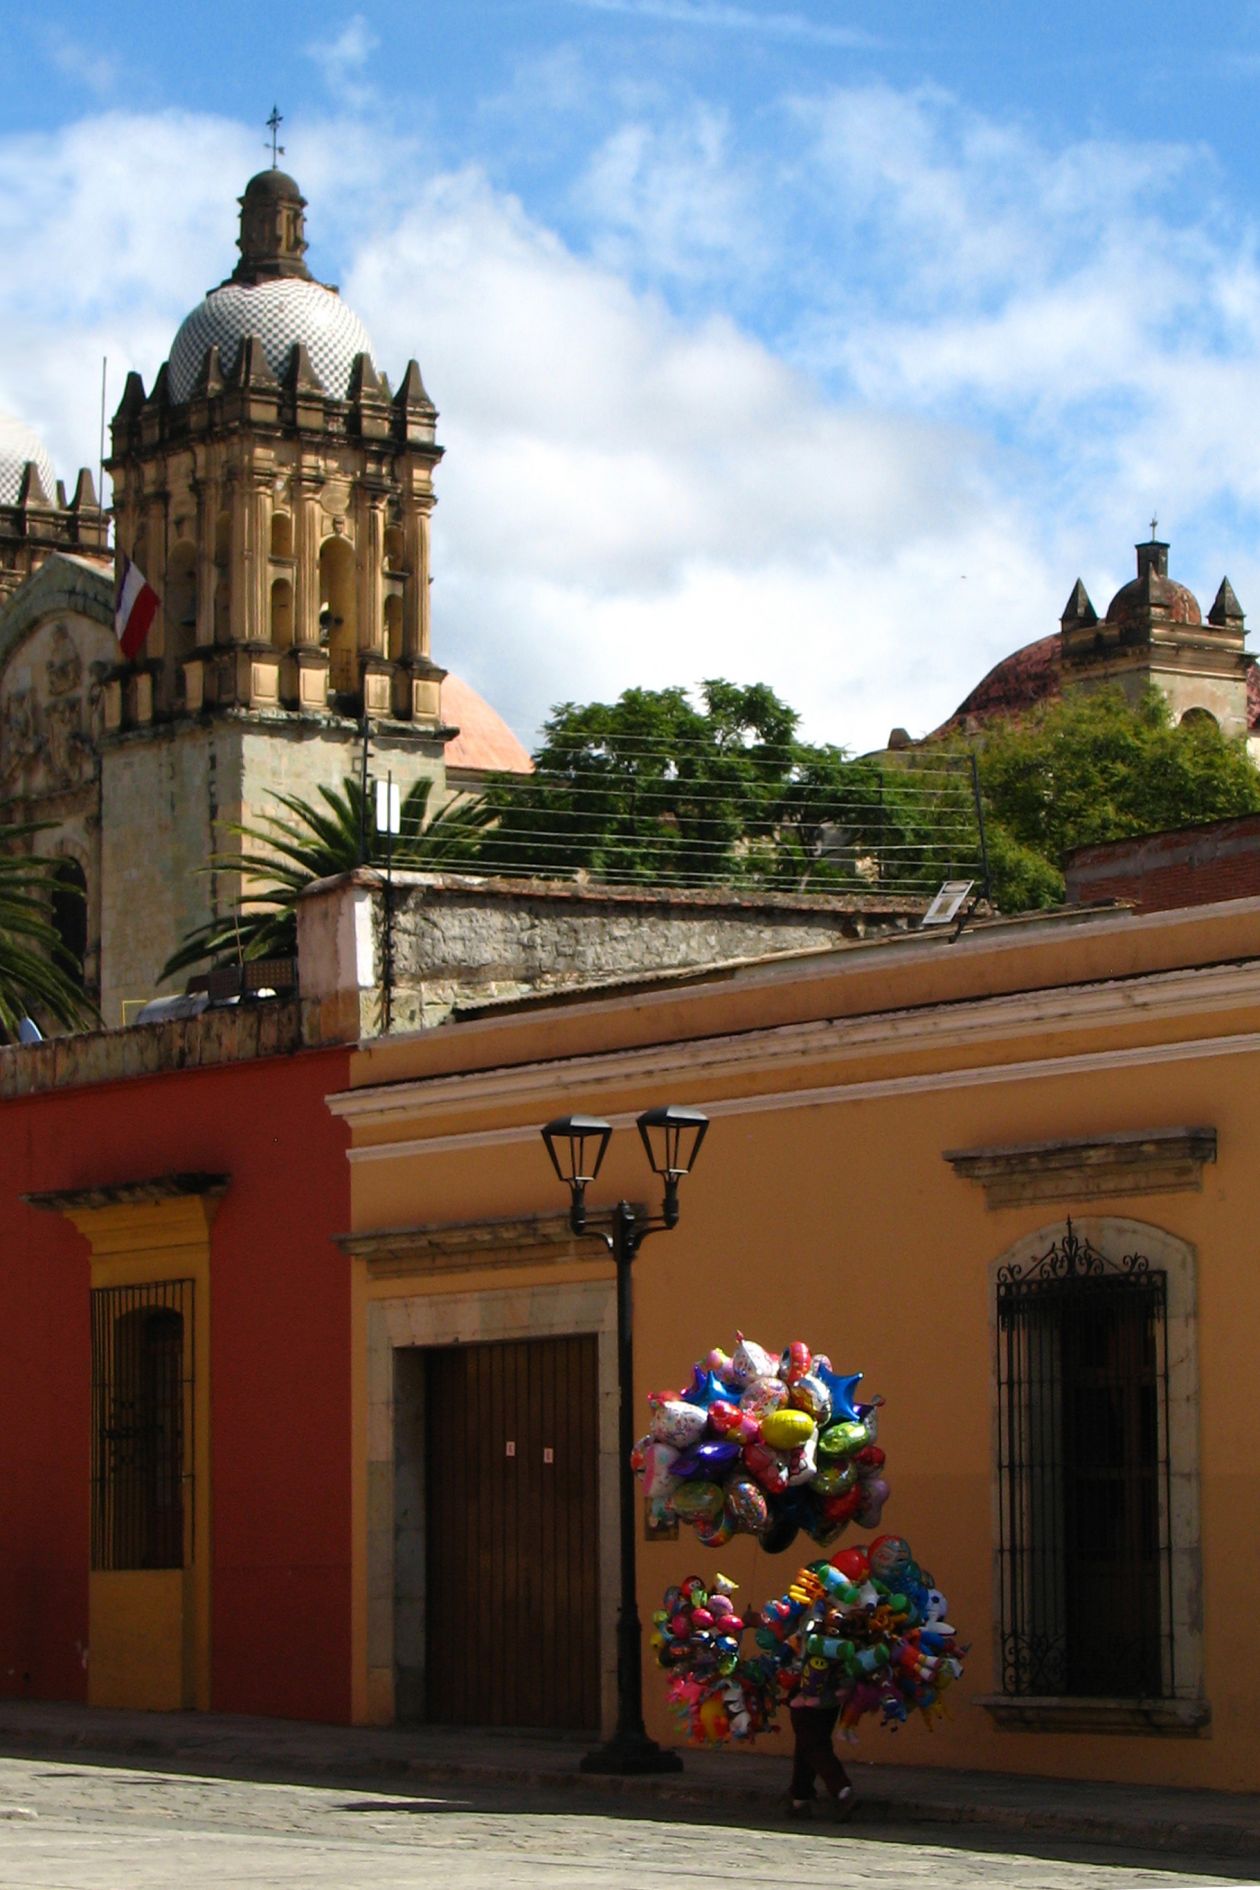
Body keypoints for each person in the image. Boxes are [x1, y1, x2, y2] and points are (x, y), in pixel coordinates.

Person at [787, 1654, 854, 1819]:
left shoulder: (814, 1635)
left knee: (813, 1744)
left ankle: (841, 1789)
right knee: (808, 1741)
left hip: (808, 1687)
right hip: (833, 1693)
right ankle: (800, 1798)